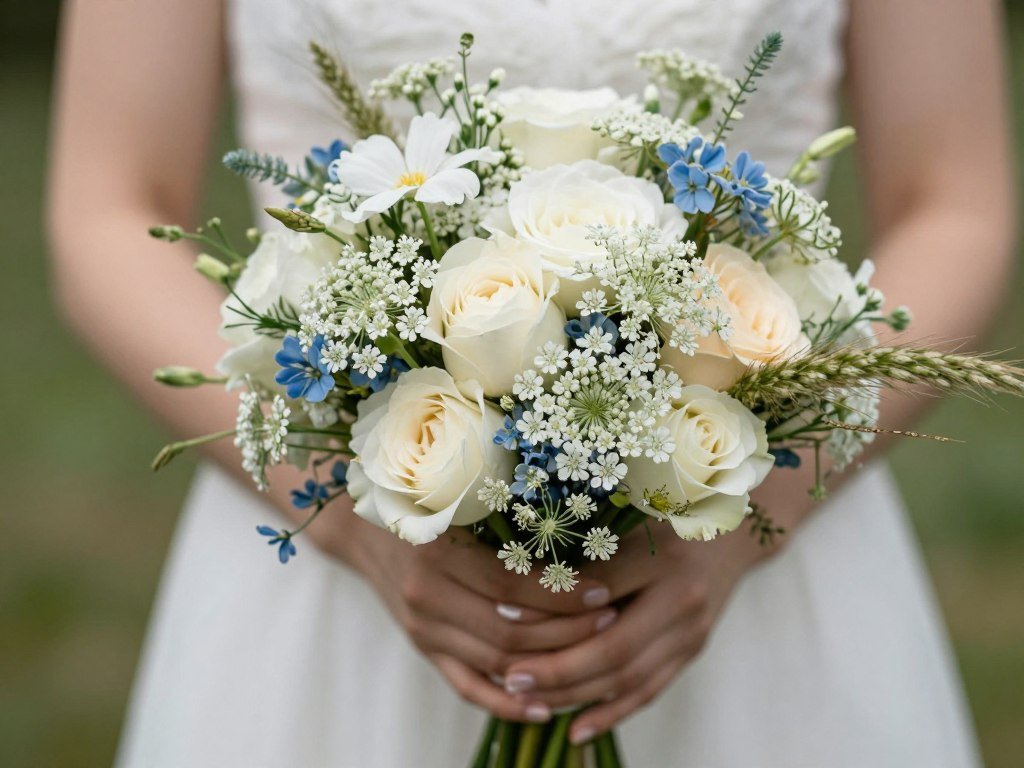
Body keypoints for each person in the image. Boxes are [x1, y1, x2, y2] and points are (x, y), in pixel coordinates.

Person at [48, 0, 1014, 765]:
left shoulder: (752, 517)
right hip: (338, 552)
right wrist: (356, 512)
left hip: (758, 554)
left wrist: (750, 506)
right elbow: (109, 208)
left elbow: (954, 202)